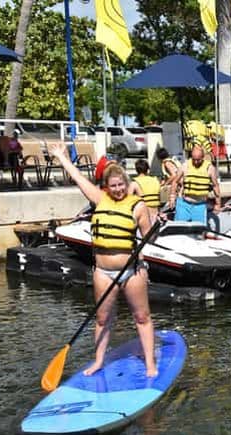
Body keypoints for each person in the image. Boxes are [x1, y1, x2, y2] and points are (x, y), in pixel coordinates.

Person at [49, 142, 158, 378]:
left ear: (127, 184)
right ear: (106, 187)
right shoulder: (100, 198)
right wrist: (62, 157)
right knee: (102, 318)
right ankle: (99, 360)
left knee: (141, 317)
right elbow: (78, 178)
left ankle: (150, 362)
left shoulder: (138, 206)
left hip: (132, 272)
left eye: (121, 185)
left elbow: (150, 236)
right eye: (114, 186)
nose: (118, 189)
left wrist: (156, 224)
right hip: (103, 272)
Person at [170, 144, 221, 223]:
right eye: (194, 159)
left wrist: (218, 204)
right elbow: (175, 182)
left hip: (200, 205)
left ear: (203, 157)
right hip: (184, 204)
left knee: (199, 231)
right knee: (179, 229)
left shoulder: (210, 168)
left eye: (198, 160)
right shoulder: (185, 165)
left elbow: (215, 186)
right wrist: (172, 197)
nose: (196, 162)